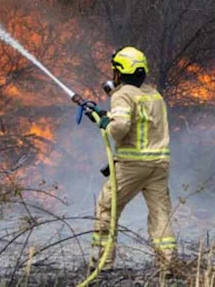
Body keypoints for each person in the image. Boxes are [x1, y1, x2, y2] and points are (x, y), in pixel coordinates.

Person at [89, 46, 175, 271]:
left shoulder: (123, 94)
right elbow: (140, 122)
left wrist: (107, 123)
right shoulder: (153, 94)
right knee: (160, 213)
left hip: (133, 165)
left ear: (120, 72)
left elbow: (120, 128)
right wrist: (105, 115)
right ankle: (167, 265)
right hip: (159, 165)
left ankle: (102, 263)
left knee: (107, 208)